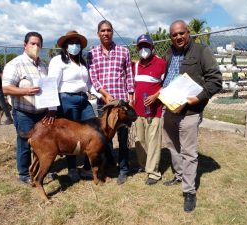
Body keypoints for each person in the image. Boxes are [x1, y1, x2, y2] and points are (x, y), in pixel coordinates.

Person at [162, 20, 222, 212]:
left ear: (188, 33)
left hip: (190, 111)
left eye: (181, 33)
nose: (178, 37)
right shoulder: (169, 53)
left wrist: (199, 98)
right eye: (174, 35)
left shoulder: (201, 51)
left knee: (188, 151)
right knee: (172, 145)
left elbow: (215, 80)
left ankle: (189, 191)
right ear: (171, 37)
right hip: (169, 109)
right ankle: (179, 175)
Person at [45, 30, 103, 182]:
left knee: (92, 130)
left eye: (77, 43)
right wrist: (52, 109)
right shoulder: (58, 61)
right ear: (65, 46)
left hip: (83, 100)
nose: (75, 46)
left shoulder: (82, 62)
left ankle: (86, 168)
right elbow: (51, 84)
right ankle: (72, 169)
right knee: (70, 135)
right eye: (71, 43)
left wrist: (102, 95)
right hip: (66, 99)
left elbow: (88, 84)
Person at [87, 20, 134, 185]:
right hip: (104, 103)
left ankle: (123, 169)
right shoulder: (92, 53)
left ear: (112, 32)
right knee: (104, 137)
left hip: (121, 103)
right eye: (102, 30)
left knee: (123, 137)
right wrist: (104, 94)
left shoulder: (123, 51)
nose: (106, 33)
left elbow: (129, 75)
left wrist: (131, 95)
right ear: (98, 33)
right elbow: (93, 77)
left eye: (109, 30)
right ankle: (106, 164)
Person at [2, 32, 49, 184]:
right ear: (25, 45)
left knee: (41, 142)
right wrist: (25, 91)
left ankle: (40, 169)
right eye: (32, 44)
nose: (36, 47)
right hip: (24, 112)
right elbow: (6, 88)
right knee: (25, 143)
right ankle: (24, 173)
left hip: (42, 112)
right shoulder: (15, 64)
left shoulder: (43, 65)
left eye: (38, 44)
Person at [132, 34, 166, 185]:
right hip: (137, 110)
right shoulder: (136, 66)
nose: (143, 49)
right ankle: (143, 165)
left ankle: (153, 172)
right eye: (141, 46)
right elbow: (132, 86)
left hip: (155, 111)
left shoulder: (161, 63)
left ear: (152, 47)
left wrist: (156, 95)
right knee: (140, 140)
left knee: (153, 141)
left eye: (146, 46)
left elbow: (168, 84)